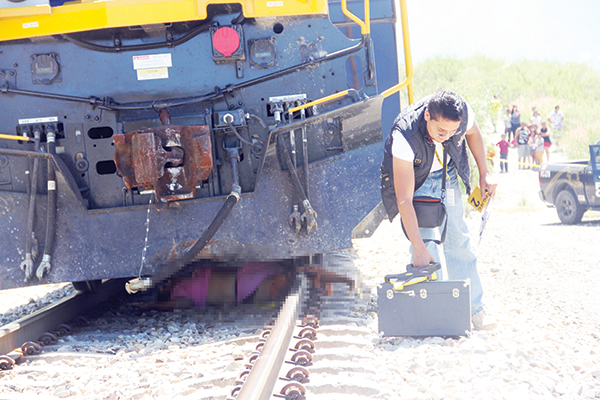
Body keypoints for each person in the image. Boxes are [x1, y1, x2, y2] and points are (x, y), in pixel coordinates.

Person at [380, 89, 498, 331]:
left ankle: (474, 309)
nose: (447, 137)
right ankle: (440, 314)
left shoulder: (461, 112)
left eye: (452, 132)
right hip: (417, 181)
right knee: (426, 248)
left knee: (459, 239)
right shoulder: (404, 134)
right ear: (427, 116)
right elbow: (404, 199)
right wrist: (418, 248)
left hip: (448, 176)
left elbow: (474, 133)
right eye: (440, 132)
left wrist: (484, 173)